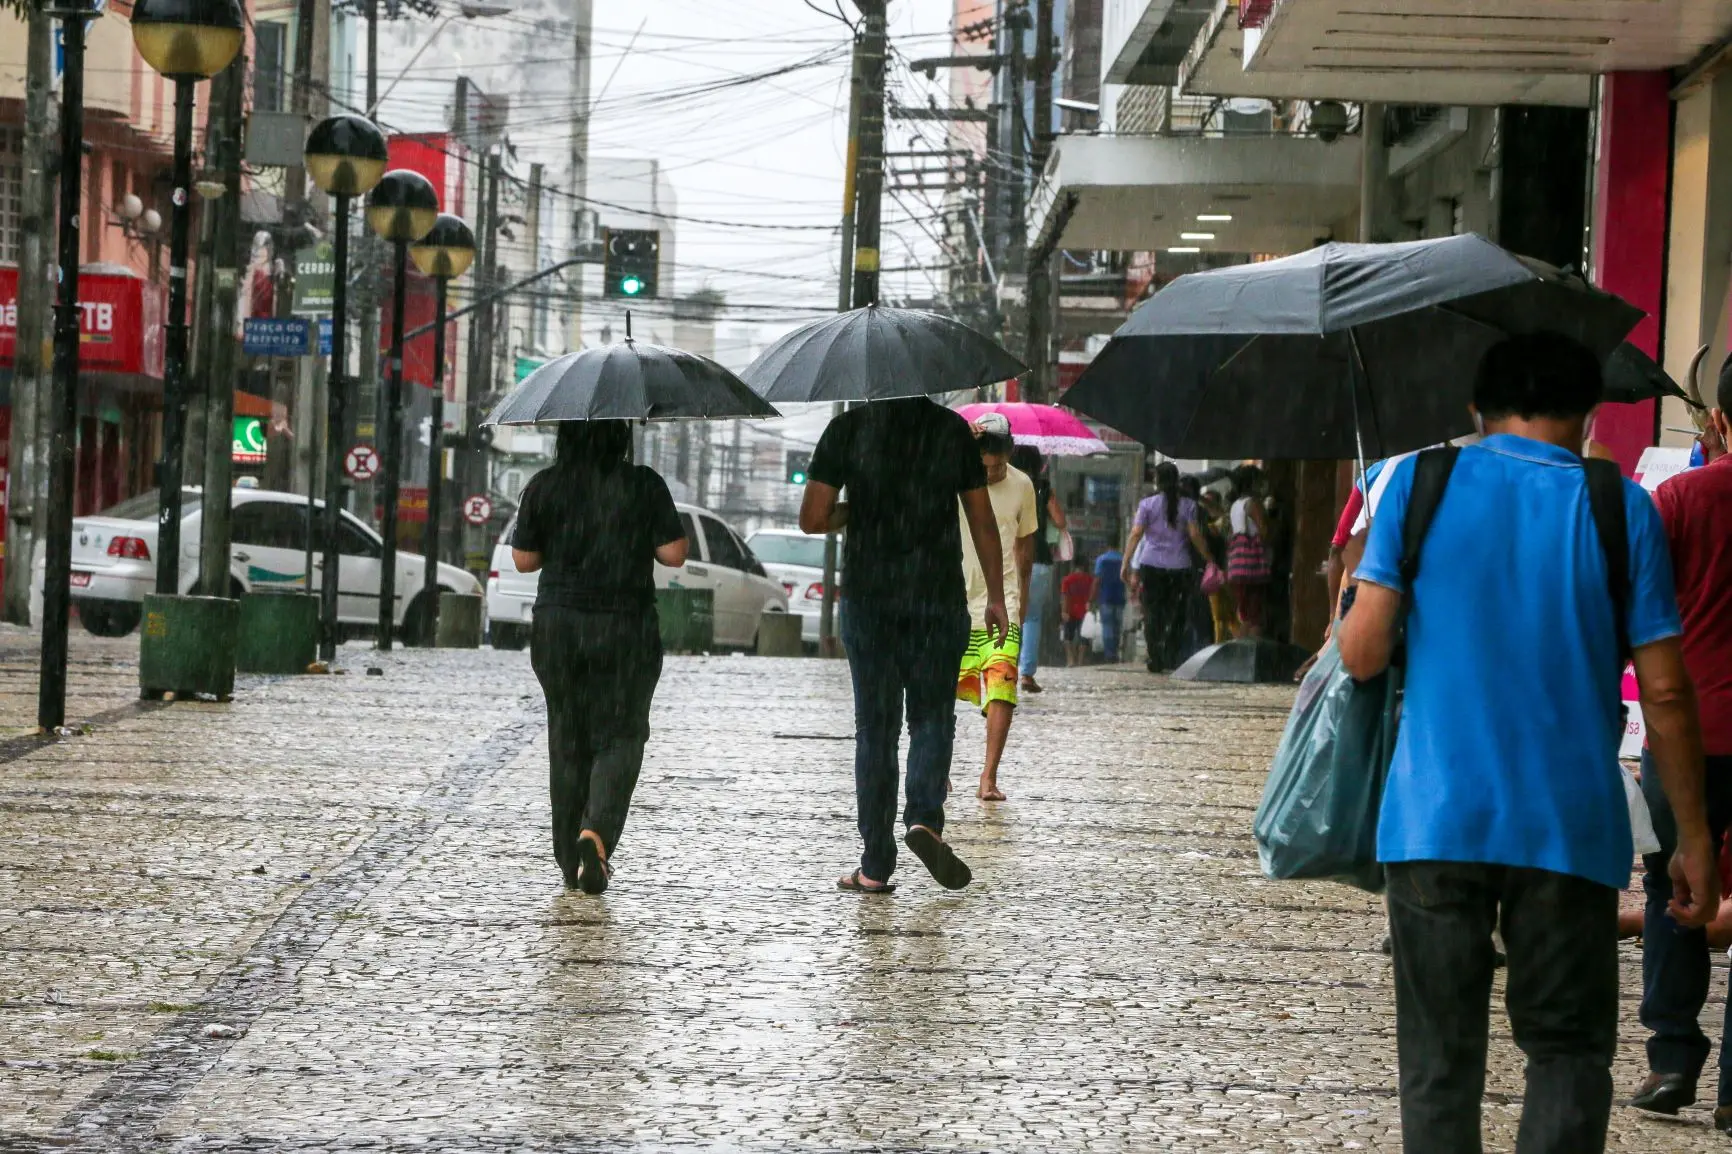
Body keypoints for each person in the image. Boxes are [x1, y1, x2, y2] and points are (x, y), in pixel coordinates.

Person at [1337, 331, 1717, 1153]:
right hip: (1568, 829)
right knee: (1570, 1052)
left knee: (1439, 1063)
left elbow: (1362, 655)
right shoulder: (1624, 507)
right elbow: (1666, 693)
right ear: (1588, 416)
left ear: (1477, 409)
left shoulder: (1417, 482)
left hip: (1435, 821)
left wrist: (1364, 577)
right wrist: (1691, 836)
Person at [801, 397, 1007, 895]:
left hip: (870, 601)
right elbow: (982, 519)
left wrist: (858, 509)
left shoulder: (847, 430)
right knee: (932, 717)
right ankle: (924, 821)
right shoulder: (952, 430)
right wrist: (997, 596)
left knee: (875, 729)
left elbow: (812, 518)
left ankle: (874, 864)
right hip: (937, 599)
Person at [511, 421, 688, 895]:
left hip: (559, 629)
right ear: (622, 437)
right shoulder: (643, 484)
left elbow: (523, 560)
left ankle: (570, 858)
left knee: (567, 738)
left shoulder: (545, 485)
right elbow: (674, 554)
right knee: (621, 734)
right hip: (624, 628)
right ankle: (597, 832)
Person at [1631, 357, 1732, 1129]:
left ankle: (1672, 1055)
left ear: (1720, 421)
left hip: (1685, 730)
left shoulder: (1677, 499)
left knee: (1673, 883)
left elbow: (1639, 614)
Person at [958, 415, 1038, 803]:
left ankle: (988, 777)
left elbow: (1025, 548)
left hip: (1001, 603)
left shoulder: (1023, 485)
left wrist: (1021, 599)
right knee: (941, 693)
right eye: (984, 466)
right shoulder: (954, 478)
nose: (991, 473)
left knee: (1002, 686)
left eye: (998, 465)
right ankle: (938, 769)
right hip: (954, 599)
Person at [1122, 462, 1217, 673]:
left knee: (1153, 612)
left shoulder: (1147, 504)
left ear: (1157, 480)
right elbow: (1194, 535)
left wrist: (1126, 562)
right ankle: (1171, 654)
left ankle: (1155, 655)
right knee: (1177, 612)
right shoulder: (1188, 505)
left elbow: (1136, 534)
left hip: (1151, 565)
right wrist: (1209, 557)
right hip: (1180, 567)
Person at [1010, 444, 1068, 695]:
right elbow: (1060, 521)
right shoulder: (1044, 488)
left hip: (1009, 556)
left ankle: (1004, 669)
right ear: (1039, 464)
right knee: (1032, 618)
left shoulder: (1007, 485)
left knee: (1010, 615)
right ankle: (1027, 674)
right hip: (1039, 555)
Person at [1226, 465, 1270, 638]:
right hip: (1253, 567)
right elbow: (1264, 530)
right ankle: (1253, 649)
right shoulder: (1252, 503)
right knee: (1255, 615)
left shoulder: (1235, 505)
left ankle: (1241, 648)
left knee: (1244, 614)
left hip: (1237, 566)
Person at [1093, 547, 1127, 662]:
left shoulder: (1101, 560)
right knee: (1117, 626)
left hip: (1106, 597)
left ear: (1107, 547)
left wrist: (1092, 598)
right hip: (1120, 597)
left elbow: (1097, 580)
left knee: (1107, 626)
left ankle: (1109, 654)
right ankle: (1116, 651)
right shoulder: (1123, 559)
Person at [1059, 556, 1094, 667]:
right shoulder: (1090, 579)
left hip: (1070, 611)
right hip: (1084, 611)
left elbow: (1065, 596)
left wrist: (1064, 611)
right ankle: (1080, 660)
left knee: (1068, 637)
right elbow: (1092, 595)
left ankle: (1070, 660)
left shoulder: (1067, 580)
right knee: (1083, 637)